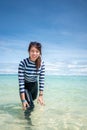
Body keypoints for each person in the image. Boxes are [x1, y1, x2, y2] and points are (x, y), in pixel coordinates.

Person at [18, 41, 45, 115]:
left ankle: (25, 109)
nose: (34, 53)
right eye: (32, 51)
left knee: (31, 101)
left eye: (37, 51)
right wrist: (23, 100)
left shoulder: (41, 63)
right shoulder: (23, 63)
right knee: (31, 106)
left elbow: (41, 79)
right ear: (28, 51)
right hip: (25, 86)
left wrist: (41, 95)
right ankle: (28, 125)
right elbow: (21, 82)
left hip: (34, 85)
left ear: (40, 53)